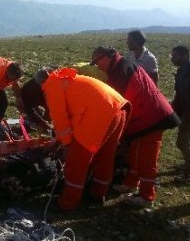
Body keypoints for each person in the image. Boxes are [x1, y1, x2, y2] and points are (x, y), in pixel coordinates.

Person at [91, 46, 180, 207]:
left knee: (147, 156)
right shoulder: (119, 68)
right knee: (134, 152)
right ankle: (131, 183)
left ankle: (147, 196)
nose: (98, 66)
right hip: (142, 117)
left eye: (98, 62)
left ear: (107, 57)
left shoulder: (122, 71)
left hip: (151, 116)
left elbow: (120, 103)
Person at [35, 67, 131, 211]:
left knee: (75, 163)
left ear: (42, 82)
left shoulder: (52, 84)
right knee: (104, 157)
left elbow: (60, 118)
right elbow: (74, 113)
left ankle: (68, 203)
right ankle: (97, 194)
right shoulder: (70, 80)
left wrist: (67, 145)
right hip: (118, 108)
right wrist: (58, 142)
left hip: (98, 114)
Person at [170, 45, 190, 182]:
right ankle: (189, 164)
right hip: (186, 112)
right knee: (185, 141)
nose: (172, 59)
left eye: (175, 56)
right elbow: (179, 93)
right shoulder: (181, 71)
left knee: (182, 142)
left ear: (184, 56)